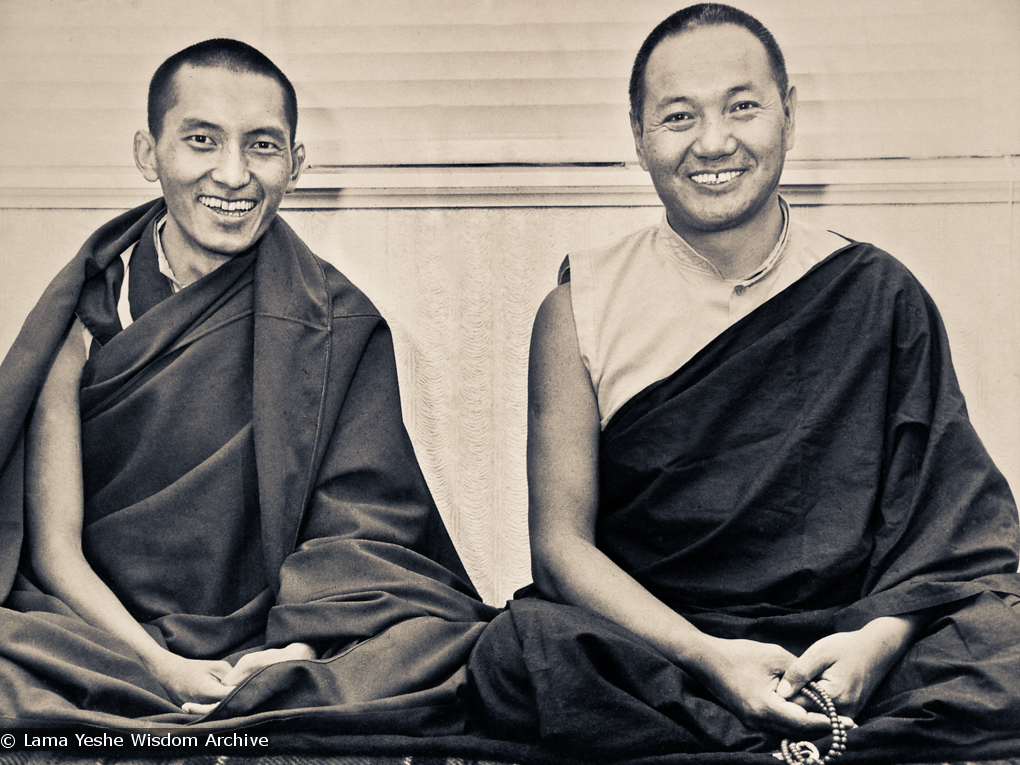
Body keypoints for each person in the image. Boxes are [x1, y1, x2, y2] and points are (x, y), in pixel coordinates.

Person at [466, 4, 1020, 763]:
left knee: (1003, 639)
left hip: (848, 632)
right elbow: (561, 548)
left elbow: (952, 533)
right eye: (678, 116)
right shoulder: (579, 310)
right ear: (638, 137)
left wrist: (876, 642)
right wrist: (708, 657)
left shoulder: (876, 292)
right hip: (665, 641)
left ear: (789, 113)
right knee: (525, 653)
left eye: (742, 107)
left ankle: (784, 727)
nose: (714, 142)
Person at [0, 38, 497, 739]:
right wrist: (162, 666)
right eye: (201, 140)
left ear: (296, 164)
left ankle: (277, 685)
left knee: (455, 646)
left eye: (262, 146)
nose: (233, 175)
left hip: (280, 631)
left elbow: (361, 531)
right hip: (110, 633)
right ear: (148, 153)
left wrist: (297, 650)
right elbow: (55, 551)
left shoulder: (336, 323)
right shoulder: (82, 323)